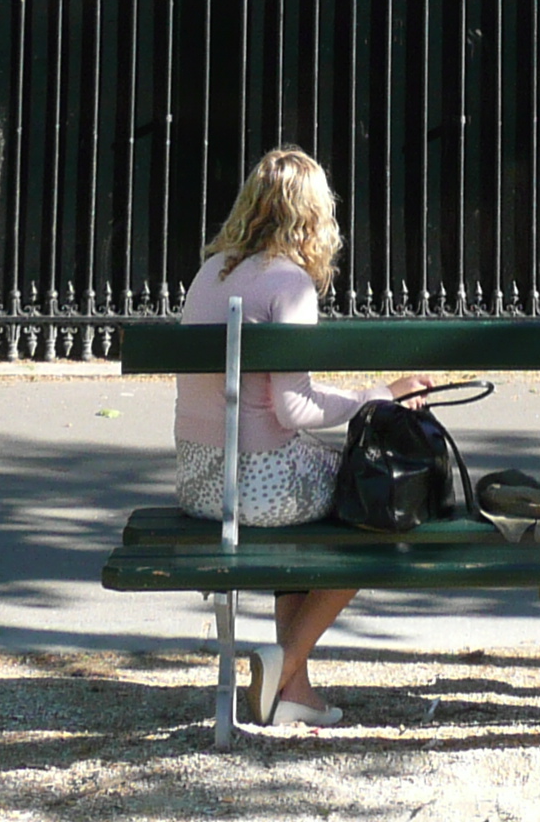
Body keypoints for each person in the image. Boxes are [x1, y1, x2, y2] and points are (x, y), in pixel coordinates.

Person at [174, 145, 431, 730]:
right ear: (313, 215)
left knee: (322, 494)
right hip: (258, 487)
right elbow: (294, 408)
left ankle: (295, 692)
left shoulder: (209, 272)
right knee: (378, 508)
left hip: (198, 480)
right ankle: (285, 660)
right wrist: (381, 396)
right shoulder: (288, 283)